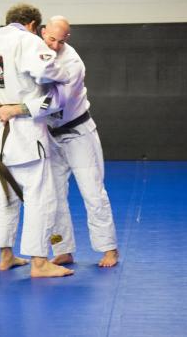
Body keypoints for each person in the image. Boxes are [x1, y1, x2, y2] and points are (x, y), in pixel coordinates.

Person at [0, 3, 73, 278]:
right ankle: (39, 262)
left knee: (6, 197)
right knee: (39, 198)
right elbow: (51, 72)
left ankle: (6, 256)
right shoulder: (28, 41)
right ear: (33, 25)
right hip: (27, 132)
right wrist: (59, 73)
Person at [40, 16, 119, 268]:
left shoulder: (73, 62)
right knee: (53, 196)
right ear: (42, 32)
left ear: (67, 38)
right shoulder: (33, 53)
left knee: (93, 192)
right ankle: (62, 249)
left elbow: (57, 101)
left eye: (60, 41)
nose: (54, 45)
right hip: (50, 135)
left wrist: (19, 108)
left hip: (78, 133)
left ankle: (109, 248)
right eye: (51, 39)